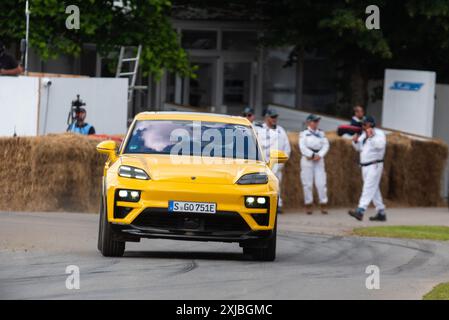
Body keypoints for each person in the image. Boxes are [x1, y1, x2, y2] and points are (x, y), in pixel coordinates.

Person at [348, 115, 387, 221]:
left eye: (365, 123)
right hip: (365, 166)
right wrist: (355, 141)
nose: (363, 125)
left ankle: (360, 210)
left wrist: (371, 137)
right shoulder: (363, 134)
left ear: (371, 124)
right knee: (373, 189)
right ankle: (381, 212)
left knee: (368, 188)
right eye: (362, 123)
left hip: (375, 164)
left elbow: (380, 145)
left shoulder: (379, 133)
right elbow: (359, 148)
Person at [257, 108, 291, 212]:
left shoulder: (281, 130)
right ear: (266, 117)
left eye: (276, 117)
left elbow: (287, 147)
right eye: (272, 117)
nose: (274, 119)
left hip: (276, 163)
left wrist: (282, 162)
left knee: (276, 184)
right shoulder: (258, 129)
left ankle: (277, 205)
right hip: (262, 163)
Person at [299, 114, 330, 214]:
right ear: (309, 122)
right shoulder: (304, 133)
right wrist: (311, 155)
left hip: (319, 159)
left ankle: (323, 204)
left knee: (321, 183)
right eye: (314, 121)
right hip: (307, 159)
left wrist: (319, 155)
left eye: (317, 121)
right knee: (307, 184)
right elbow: (302, 147)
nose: (316, 123)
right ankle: (308, 204)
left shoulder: (321, 133)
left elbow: (326, 145)